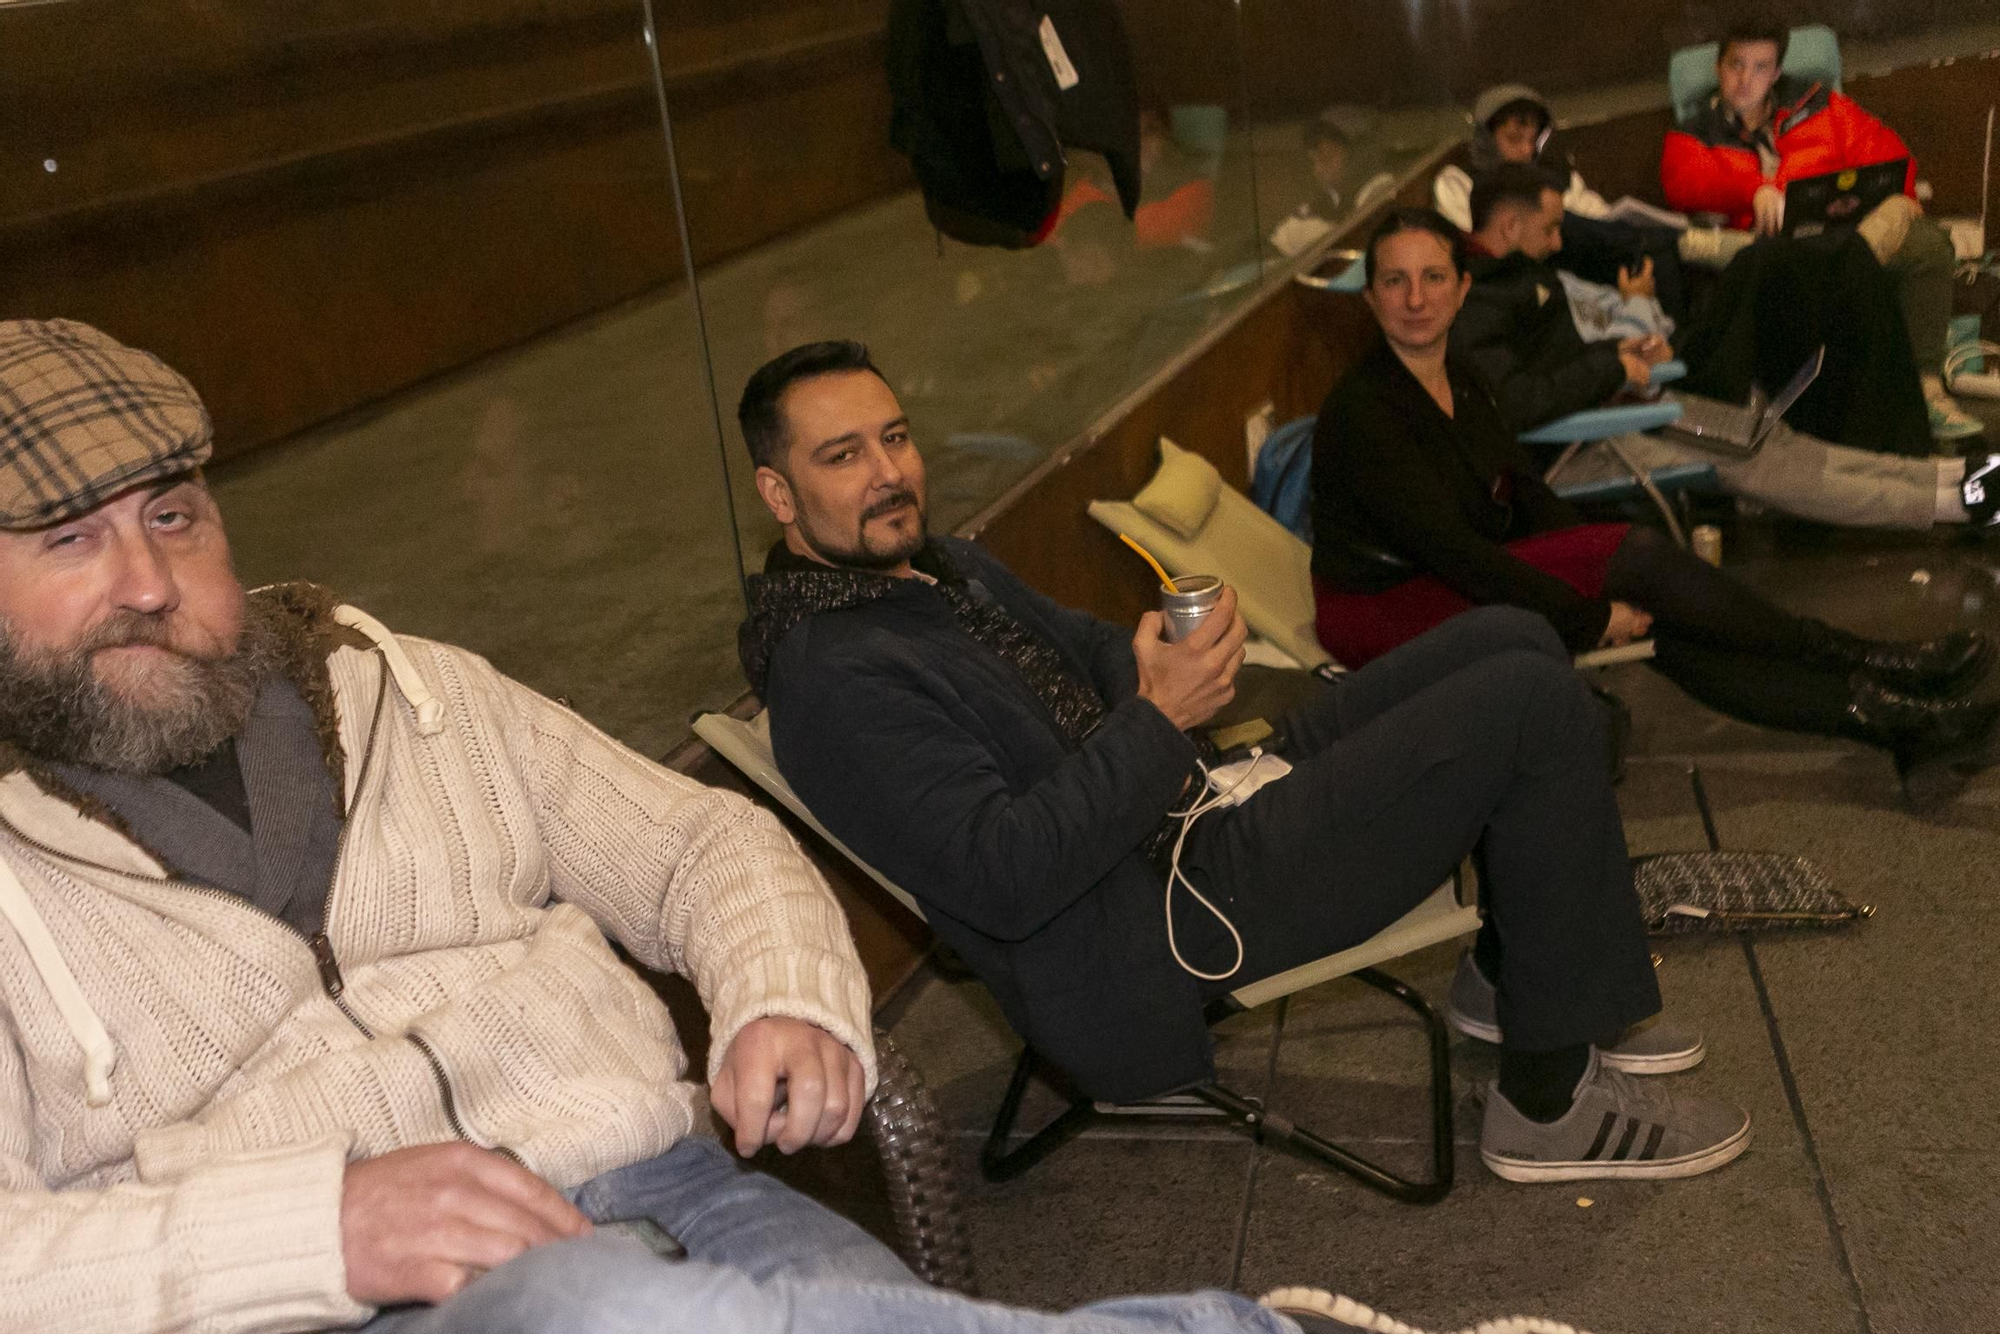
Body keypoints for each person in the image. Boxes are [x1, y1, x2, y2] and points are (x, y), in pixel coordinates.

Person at [0, 317, 1421, 1334]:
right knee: (598, 1308)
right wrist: (324, 1229)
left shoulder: (405, 688)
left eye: (174, 516)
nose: (144, 579)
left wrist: (779, 992)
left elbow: (702, 844)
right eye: (69, 540)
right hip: (329, 1304)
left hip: (671, 1186)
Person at [738, 339, 1754, 1187]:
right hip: (1158, 922)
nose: (888, 472)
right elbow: (1004, 873)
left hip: (1189, 810)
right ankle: (1544, 1104)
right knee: (1528, 705)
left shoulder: (935, 567)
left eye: (895, 436)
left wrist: (1150, 655)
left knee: (1507, 637)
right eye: (842, 455)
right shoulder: (836, 678)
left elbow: (1085, 646)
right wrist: (1160, 717)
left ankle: (1514, 972)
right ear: (779, 493)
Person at [1310, 209, 2000, 809]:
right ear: (1371, 298)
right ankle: (1873, 664)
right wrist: (1587, 613)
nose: (1415, 298)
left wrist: (1596, 567)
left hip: (1456, 572)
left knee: (1652, 596)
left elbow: (1521, 490)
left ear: (1462, 289)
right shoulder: (1366, 411)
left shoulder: (1458, 374)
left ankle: (1888, 718)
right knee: (1636, 557)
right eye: (1395, 282)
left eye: (1433, 277)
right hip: (1387, 605)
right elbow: (1449, 550)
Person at [1455, 167, 1999, 534]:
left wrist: (1623, 353)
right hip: (1580, 444)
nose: (1557, 242)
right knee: (1760, 465)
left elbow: (1547, 369)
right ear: (1509, 225)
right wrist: (1613, 364)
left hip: (1612, 408)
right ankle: (1954, 505)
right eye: (1550, 230)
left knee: (1769, 432)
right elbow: (1516, 402)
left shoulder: (1515, 281)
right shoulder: (1479, 301)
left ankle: (1945, 477)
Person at [1660, 17, 1982, 441]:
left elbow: (1890, 158)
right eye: (1736, 65)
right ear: (1719, 68)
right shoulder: (1695, 131)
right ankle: (1859, 256)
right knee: (1880, 231)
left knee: (1927, 243)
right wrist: (1756, 189)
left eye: (1760, 68)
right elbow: (1682, 182)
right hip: (1778, 254)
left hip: (1840, 231)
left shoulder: (1820, 106)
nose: (1745, 80)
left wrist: (1886, 197)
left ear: (1776, 73)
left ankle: (1925, 387)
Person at [1432, 84, 1719, 321]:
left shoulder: (1550, 171)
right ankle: (1681, 242)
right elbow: (1475, 238)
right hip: (1521, 267)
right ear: (1487, 139)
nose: (1525, 151)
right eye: (1514, 139)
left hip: (1579, 253)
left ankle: (1676, 333)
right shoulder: (1458, 180)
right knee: (1577, 226)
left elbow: (1595, 211)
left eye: (1532, 141)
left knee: (1652, 252)